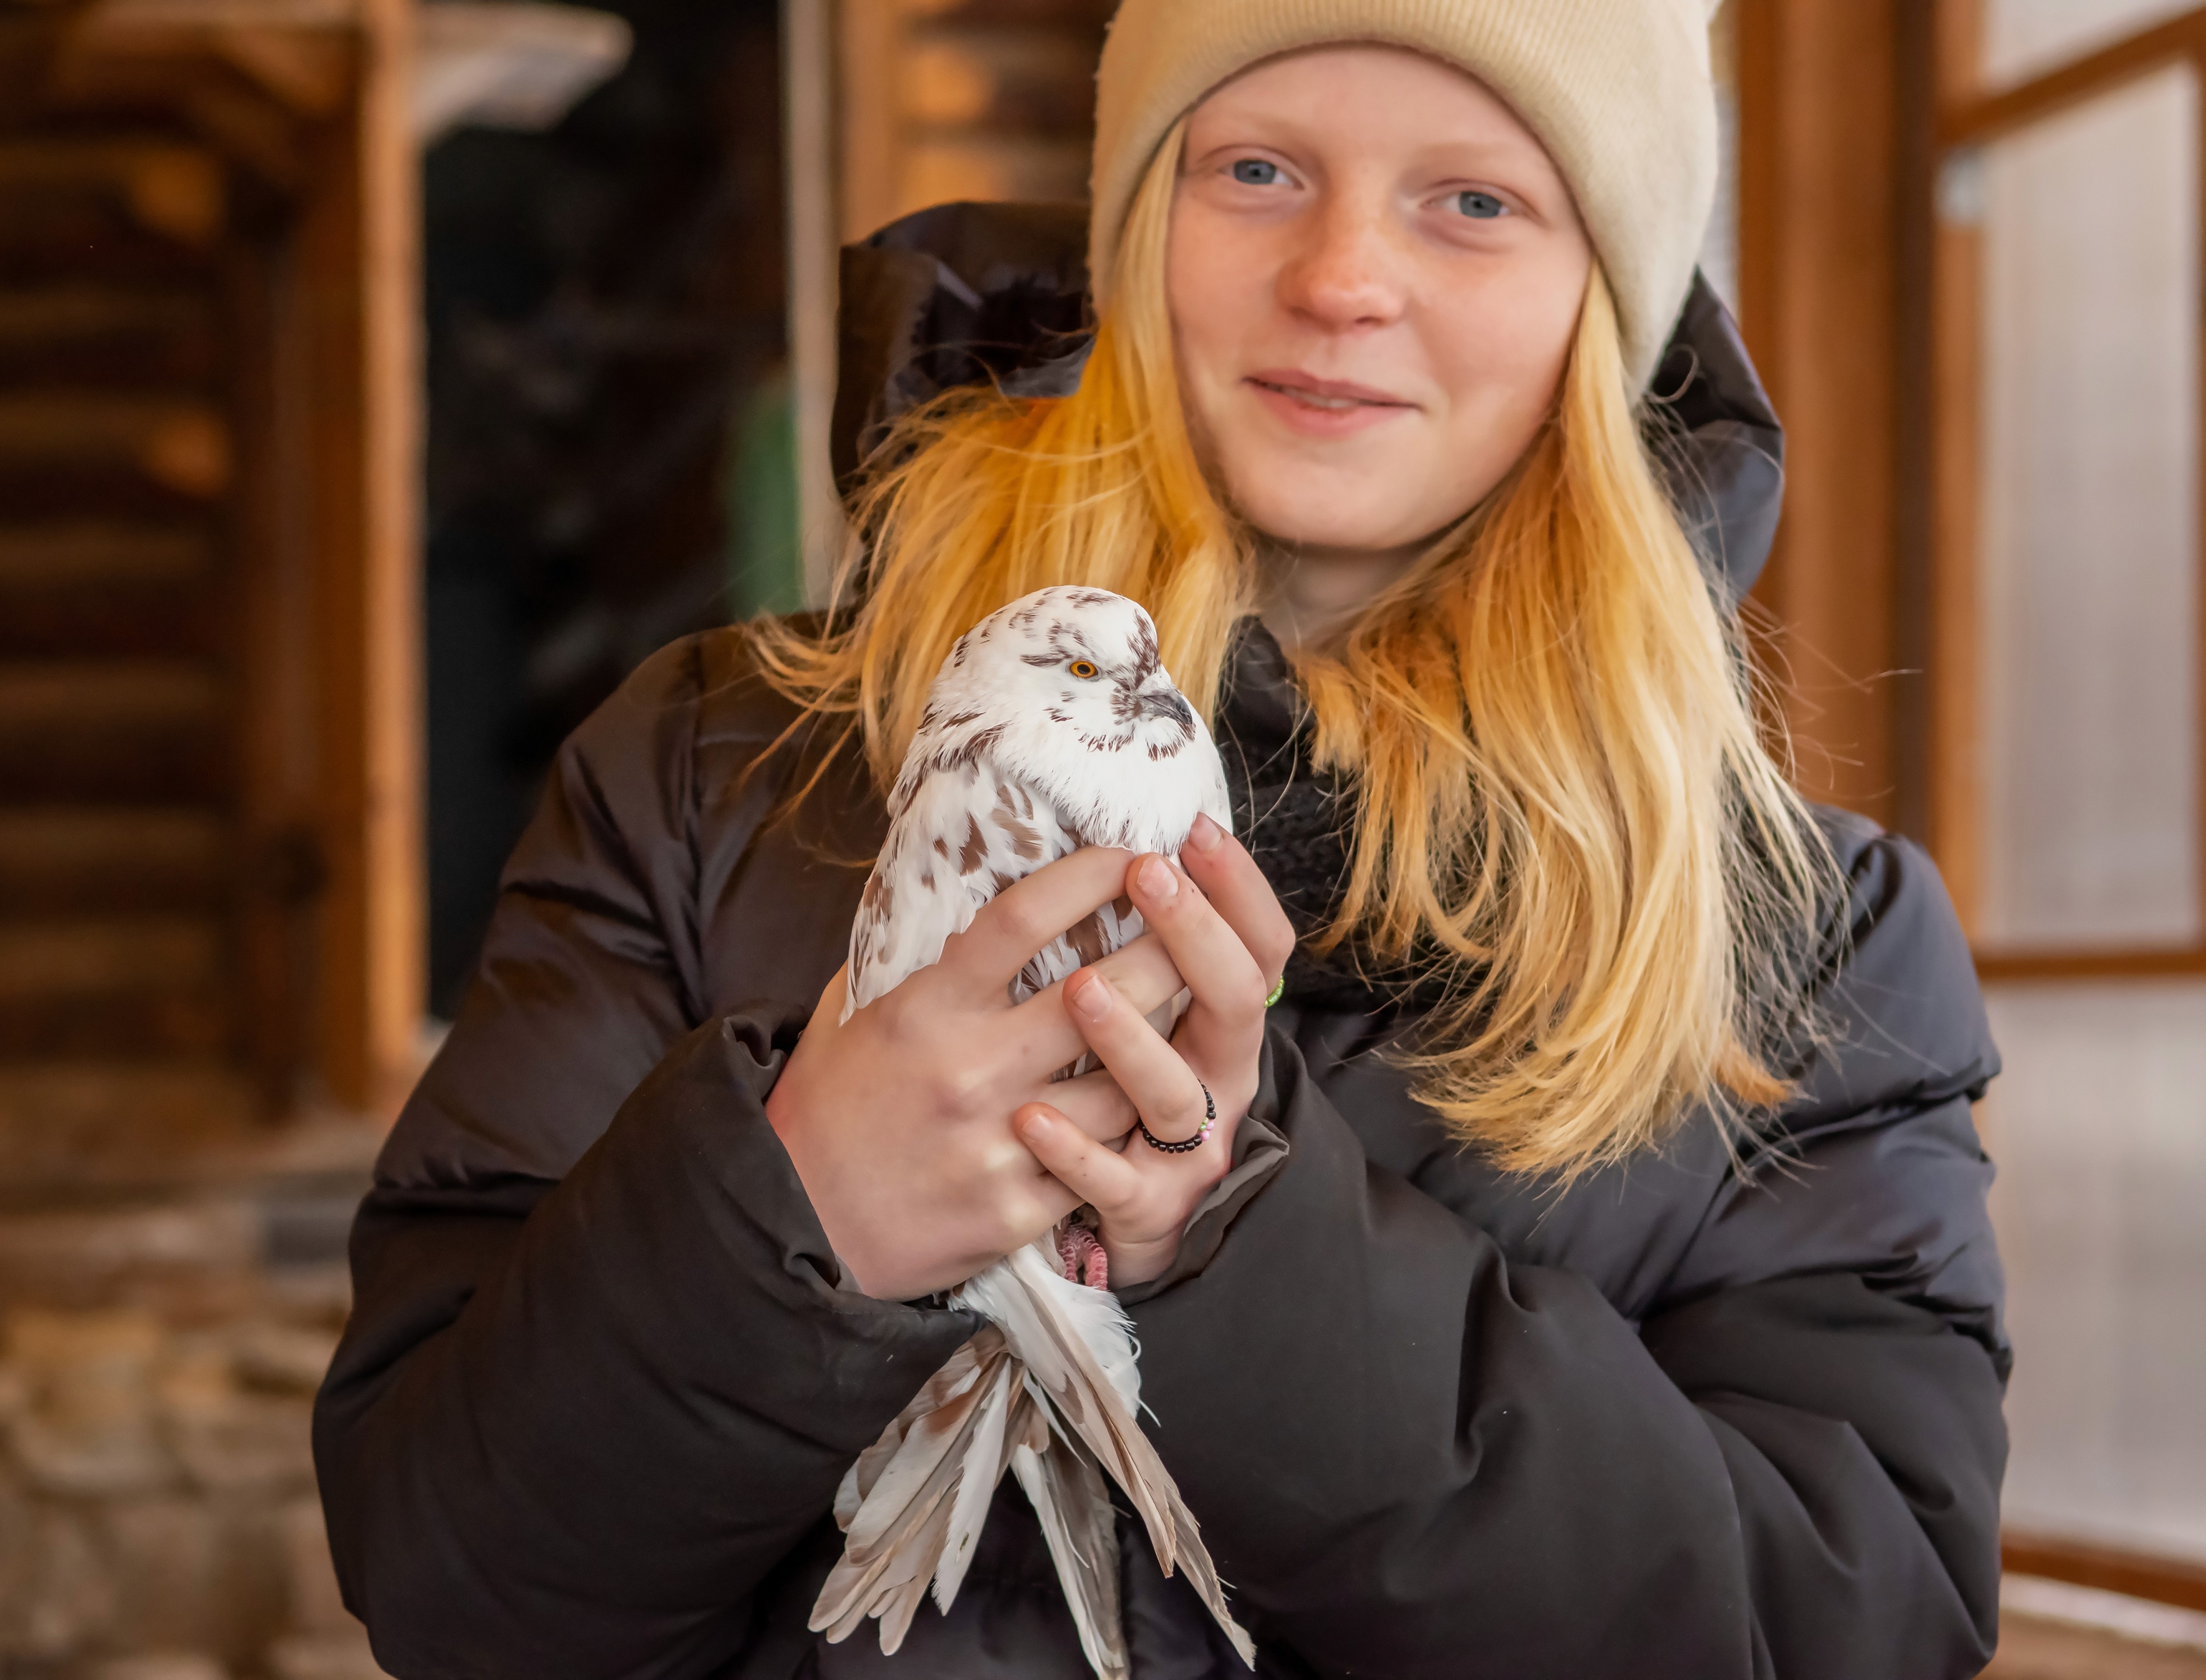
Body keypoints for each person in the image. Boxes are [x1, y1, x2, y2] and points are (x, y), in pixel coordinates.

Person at [314, 3, 2009, 1675]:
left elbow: (1835, 1633)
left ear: (1604, 300)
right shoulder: (717, 770)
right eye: (1257, 170)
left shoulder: (1810, 945)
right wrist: (790, 1215)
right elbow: (457, 1587)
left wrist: (1240, 1250)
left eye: (1475, 201)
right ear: (1136, 226)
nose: (1343, 278)